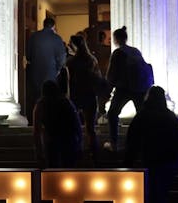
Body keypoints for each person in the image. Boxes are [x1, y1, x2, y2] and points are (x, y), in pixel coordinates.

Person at [104, 25, 150, 151]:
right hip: (140, 88)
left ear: (116, 39)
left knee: (113, 113)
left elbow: (112, 74)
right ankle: (144, 142)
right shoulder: (135, 51)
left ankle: (114, 143)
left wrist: (107, 91)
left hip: (123, 88)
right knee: (141, 115)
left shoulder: (118, 53)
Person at [65, 34, 108, 164]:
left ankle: (77, 152)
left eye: (70, 44)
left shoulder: (71, 62)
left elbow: (68, 82)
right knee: (90, 128)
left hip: (75, 97)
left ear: (74, 46)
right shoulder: (91, 59)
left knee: (74, 127)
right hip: (90, 96)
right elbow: (98, 78)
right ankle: (94, 154)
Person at [25, 15, 67, 121]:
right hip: (51, 71)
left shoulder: (34, 37)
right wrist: (58, 69)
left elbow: (28, 54)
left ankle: (35, 119)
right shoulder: (57, 38)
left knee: (36, 96)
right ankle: (49, 119)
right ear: (53, 26)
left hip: (35, 71)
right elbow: (62, 57)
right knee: (50, 96)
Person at [32, 80, 82, 168]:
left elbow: (37, 131)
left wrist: (39, 152)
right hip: (69, 139)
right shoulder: (66, 102)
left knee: (53, 169)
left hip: (52, 141)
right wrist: (79, 143)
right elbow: (77, 124)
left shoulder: (41, 105)